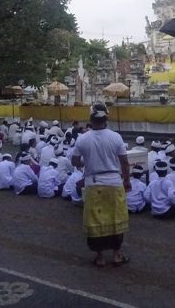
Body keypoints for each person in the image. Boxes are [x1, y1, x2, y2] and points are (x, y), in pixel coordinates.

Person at [71, 102, 130, 268]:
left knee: (96, 222)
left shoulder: (83, 139)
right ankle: (117, 254)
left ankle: (100, 257)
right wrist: (127, 180)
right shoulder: (116, 137)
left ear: (90, 118)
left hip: (93, 184)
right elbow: (125, 163)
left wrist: (87, 163)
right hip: (114, 182)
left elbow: (75, 161)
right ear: (107, 117)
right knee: (116, 220)